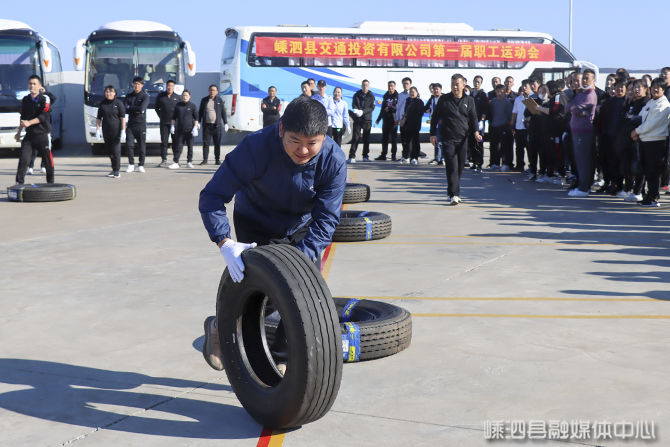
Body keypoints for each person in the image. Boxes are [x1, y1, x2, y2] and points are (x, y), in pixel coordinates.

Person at [198, 97, 347, 372]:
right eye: (295, 141)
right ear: (281, 130)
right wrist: (224, 242)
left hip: (301, 227)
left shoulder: (333, 160)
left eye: (312, 143)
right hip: (256, 222)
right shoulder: (255, 148)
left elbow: (327, 218)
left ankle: (281, 360)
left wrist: (299, 262)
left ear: (324, 138)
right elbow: (212, 196)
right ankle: (219, 327)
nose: (303, 150)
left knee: (302, 295)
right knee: (261, 296)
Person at [430, 73, 482, 205]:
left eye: (457, 84)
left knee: (459, 168)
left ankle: (450, 190)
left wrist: (476, 132)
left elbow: (474, 118)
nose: (454, 87)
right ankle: (455, 194)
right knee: (452, 167)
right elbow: (435, 117)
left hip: (463, 138)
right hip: (448, 138)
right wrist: (433, 134)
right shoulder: (444, 99)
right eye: (452, 84)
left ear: (464, 84)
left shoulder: (469, 100)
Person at [631, 78, 670, 207]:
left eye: (659, 87)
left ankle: (654, 197)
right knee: (647, 171)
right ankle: (649, 195)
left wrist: (637, 131)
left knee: (653, 172)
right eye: (654, 86)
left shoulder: (664, 105)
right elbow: (642, 117)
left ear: (663, 90)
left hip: (656, 142)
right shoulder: (651, 103)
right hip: (645, 140)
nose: (656, 89)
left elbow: (652, 124)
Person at [14, 75, 55, 185]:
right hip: (30, 135)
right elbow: (23, 118)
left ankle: (50, 183)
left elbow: (43, 116)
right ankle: (19, 183)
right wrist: (18, 132)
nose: (32, 86)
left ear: (40, 86)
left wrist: (29, 122)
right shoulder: (25, 100)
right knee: (23, 159)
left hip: (43, 134)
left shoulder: (44, 98)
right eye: (30, 83)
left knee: (47, 160)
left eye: (34, 84)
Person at [566, 68, 598, 197]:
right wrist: (575, 109)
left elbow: (577, 109)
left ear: (593, 80)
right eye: (583, 78)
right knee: (579, 160)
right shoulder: (580, 93)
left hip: (584, 131)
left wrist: (575, 110)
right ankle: (582, 185)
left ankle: (584, 188)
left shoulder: (590, 95)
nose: (584, 81)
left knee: (583, 160)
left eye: (587, 78)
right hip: (576, 130)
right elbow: (569, 107)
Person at [95, 85, 126, 178]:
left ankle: (117, 170)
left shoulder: (118, 103)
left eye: (110, 92)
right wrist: (97, 130)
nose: (108, 93)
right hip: (106, 131)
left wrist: (123, 130)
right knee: (109, 151)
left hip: (116, 131)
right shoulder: (103, 104)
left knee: (116, 151)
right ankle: (113, 169)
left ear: (115, 93)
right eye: (107, 92)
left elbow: (122, 118)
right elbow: (98, 118)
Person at [124, 77, 149, 173]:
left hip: (141, 124)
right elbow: (125, 109)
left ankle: (141, 165)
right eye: (135, 84)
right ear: (132, 85)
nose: (136, 86)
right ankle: (131, 164)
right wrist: (135, 108)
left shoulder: (145, 96)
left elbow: (142, 108)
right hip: (130, 124)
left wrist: (131, 107)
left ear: (142, 85)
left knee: (142, 146)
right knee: (129, 145)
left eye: (138, 84)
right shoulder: (129, 96)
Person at [199, 85, 229, 165]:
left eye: (213, 90)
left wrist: (225, 123)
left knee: (217, 144)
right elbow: (200, 112)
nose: (212, 91)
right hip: (207, 126)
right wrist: (198, 122)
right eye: (210, 90)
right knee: (206, 144)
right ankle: (205, 160)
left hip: (217, 126)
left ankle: (217, 159)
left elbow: (223, 112)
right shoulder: (204, 100)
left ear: (217, 92)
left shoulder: (219, 100)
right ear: (208, 91)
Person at [170, 89, 199, 169]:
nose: (184, 97)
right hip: (179, 130)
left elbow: (196, 118)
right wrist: (172, 126)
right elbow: (173, 117)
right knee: (178, 147)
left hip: (190, 130)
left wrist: (195, 128)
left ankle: (189, 162)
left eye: (186, 95)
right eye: (183, 95)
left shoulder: (193, 106)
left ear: (189, 96)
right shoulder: (178, 105)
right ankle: (176, 162)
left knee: (190, 147)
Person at [348, 79, 375, 163]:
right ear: (361, 86)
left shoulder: (371, 95)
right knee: (355, 138)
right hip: (358, 119)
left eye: (366, 85)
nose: (365, 86)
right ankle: (352, 156)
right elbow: (354, 104)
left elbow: (372, 107)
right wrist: (356, 110)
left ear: (369, 86)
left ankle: (365, 156)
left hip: (367, 119)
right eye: (363, 85)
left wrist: (363, 112)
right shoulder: (357, 94)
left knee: (366, 139)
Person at [488, 84, 513, 171]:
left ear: (505, 91)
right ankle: (494, 163)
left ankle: (506, 163)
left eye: (502, 91)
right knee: (494, 146)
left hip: (504, 126)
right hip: (494, 126)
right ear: (495, 91)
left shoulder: (507, 102)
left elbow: (510, 115)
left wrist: (510, 126)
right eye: (498, 91)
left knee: (505, 147)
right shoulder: (493, 101)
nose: (500, 92)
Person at [155, 80, 179, 167]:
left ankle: (176, 160)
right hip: (164, 123)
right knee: (164, 142)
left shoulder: (177, 97)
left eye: (171, 86)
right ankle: (163, 160)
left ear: (174, 87)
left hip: (174, 124)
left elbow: (179, 110)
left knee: (175, 142)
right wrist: (161, 116)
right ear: (166, 86)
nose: (170, 87)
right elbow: (156, 108)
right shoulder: (161, 96)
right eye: (168, 86)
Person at [510, 79, 532, 174]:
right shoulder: (518, 99)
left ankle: (532, 166)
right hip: (519, 127)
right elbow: (514, 113)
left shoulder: (534, 97)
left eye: (526, 86)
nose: (524, 88)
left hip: (529, 128)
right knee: (519, 148)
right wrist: (512, 125)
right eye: (523, 86)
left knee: (530, 148)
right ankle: (519, 166)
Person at [375, 80, 398, 160]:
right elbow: (382, 109)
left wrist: (390, 108)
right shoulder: (385, 96)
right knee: (384, 138)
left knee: (394, 138)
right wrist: (378, 118)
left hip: (394, 119)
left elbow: (398, 108)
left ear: (394, 87)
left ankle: (393, 155)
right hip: (386, 120)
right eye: (389, 86)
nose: (390, 87)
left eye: (392, 86)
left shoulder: (397, 96)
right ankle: (383, 154)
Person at [470, 75, 489, 171]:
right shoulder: (470, 93)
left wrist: (483, 118)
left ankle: (479, 163)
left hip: (479, 122)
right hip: (471, 122)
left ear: (481, 83)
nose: (476, 83)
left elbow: (486, 108)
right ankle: (473, 162)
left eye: (478, 82)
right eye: (475, 81)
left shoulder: (483, 94)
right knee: (471, 142)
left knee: (479, 142)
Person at [402, 87, 424, 165]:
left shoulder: (420, 102)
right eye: (410, 92)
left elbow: (420, 113)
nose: (412, 93)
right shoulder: (408, 100)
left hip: (415, 124)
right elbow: (405, 111)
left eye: (413, 92)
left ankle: (415, 157)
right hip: (407, 124)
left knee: (415, 142)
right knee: (407, 142)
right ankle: (407, 156)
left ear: (417, 92)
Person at [425, 83, 443, 165]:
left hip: (441, 123)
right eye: (434, 89)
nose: (435, 91)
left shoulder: (444, 99)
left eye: (437, 89)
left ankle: (442, 158)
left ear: (440, 90)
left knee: (441, 141)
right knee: (435, 140)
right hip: (434, 123)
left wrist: (442, 119)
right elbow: (425, 108)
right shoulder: (432, 99)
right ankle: (437, 158)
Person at [396, 77, 412, 162]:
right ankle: (404, 155)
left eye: (407, 84)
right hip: (402, 120)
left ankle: (408, 156)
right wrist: (397, 119)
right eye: (404, 84)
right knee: (403, 139)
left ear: (410, 85)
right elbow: (398, 108)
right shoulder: (400, 95)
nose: (405, 85)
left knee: (409, 139)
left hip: (409, 120)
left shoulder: (413, 94)